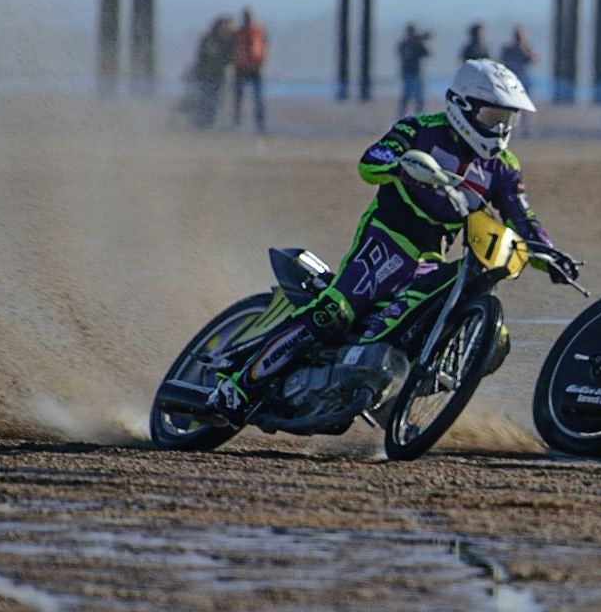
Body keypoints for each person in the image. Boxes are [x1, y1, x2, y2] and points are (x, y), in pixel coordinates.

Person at [205, 58, 578, 426]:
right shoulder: (419, 129)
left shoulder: (504, 167)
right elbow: (370, 162)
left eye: (508, 119)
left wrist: (550, 255)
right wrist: (400, 166)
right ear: (463, 106)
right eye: (493, 117)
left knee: (488, 341)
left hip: (431, 258)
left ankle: (393, 395)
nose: (501, 128)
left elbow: (523, 219)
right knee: (334, 312)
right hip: (384, 240)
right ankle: (238, 386)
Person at [184, 15, 234, 130]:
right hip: (206, 75)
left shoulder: (227, 41)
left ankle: (209, 123)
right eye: (224, 26)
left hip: (219, 76)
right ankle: (201, 123)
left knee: (216, 101)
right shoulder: (210, 39)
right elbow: (205, 55)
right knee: (205, 100)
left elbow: (230, 58)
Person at [231, 6, 267, 133]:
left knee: (258, 98)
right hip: (241, 68)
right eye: (246, 16)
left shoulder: (259, 31)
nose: (248, 19)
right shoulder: (238, 33)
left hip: (256, 69)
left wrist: (262, 62)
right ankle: (236, 122)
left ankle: (260, 124)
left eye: (250, 16)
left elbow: (265, 47)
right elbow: (233, 49)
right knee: (238, 98)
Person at [500, 26, 540, 138]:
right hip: (512, 79)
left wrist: (524, 50)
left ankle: (527, 130)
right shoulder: (509, 49)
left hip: (524, 79)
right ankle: (509, 129)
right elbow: (502, 60)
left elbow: (535, 59)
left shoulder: (526, 48)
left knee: (526, 107)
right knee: (511, 106)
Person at [397, 23, 433, 118]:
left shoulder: (416, 44)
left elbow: (427, 54)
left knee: (418, 97)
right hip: (408, 73)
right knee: (407, 97)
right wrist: (416, 42)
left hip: (416, 74)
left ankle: (418, 115)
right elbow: (403, 55)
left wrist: (420, 43)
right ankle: (402, 115)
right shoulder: (404, 44)